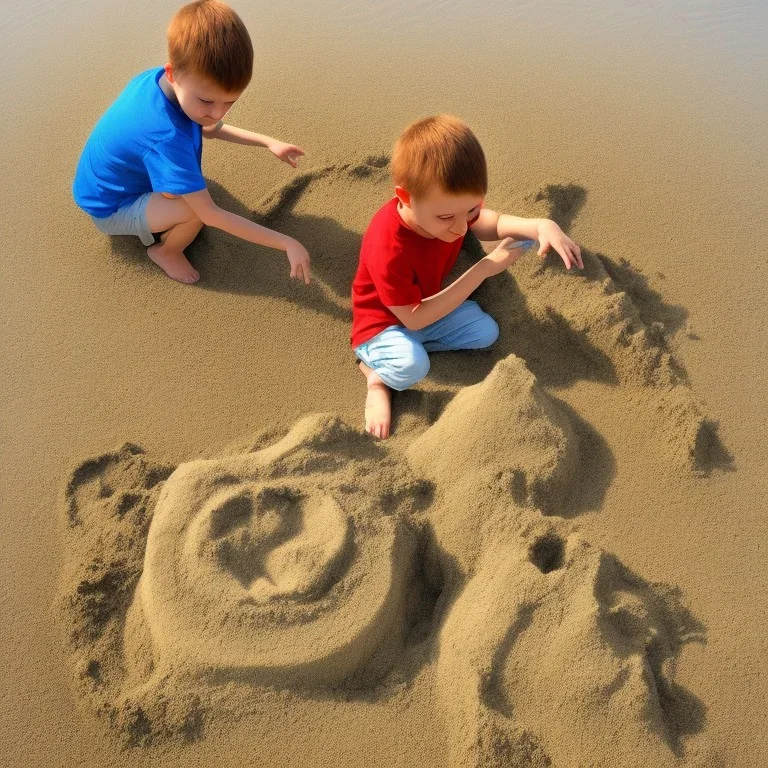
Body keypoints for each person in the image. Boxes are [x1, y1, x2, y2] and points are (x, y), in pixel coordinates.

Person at [351, 114, 583, 439]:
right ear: (405, 198)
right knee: (411, 367)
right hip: (384, 322)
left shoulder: (449, 213)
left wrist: (539, 225)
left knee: (484, 332)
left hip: (426, 308)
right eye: (447, 216)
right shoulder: (388, 245)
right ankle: (373, 373)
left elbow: (489, 223)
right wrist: (485, 268)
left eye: (471, 209)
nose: (462, 227)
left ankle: (412, 349)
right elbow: (413, 318)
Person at [72, 0, 310, 285]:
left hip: (108, 179)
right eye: (208, 101)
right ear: (173, 73)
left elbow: (209, 127)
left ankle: (167, 197)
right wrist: (287, 243)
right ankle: (166, 251)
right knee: (194, 211)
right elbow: (210, 215)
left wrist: (269, 142)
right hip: (110, 207)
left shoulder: (160, 81)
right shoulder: (167, 137)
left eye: (230, 101)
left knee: (189, 183)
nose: (218, 112)